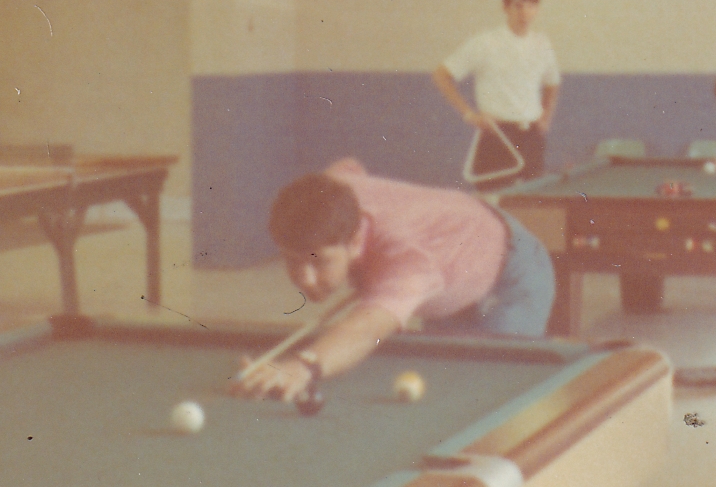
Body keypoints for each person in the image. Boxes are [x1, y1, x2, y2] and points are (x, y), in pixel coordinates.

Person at [227, 159, 556, 401]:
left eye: (319, 261)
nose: (305, 278)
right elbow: (348, 167)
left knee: (490, 393)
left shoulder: (404, 259)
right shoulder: (332, 191)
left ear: (355, 240)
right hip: (452, 260)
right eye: (292, 260)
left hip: (511, 273)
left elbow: (370, 326)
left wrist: (303, 367)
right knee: (445, 388)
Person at [432, 0, 560, 190]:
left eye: (531, 6)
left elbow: (552, 83)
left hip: (531, 138)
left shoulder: (542, 44)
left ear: (537, 9)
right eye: (518, 6)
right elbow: (441, 75)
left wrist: (546, 117)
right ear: (505, 8)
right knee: (492, 203)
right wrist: (469, 114)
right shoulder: (485, 42)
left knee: (533, 203)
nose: (524, 13)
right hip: (497, 136)